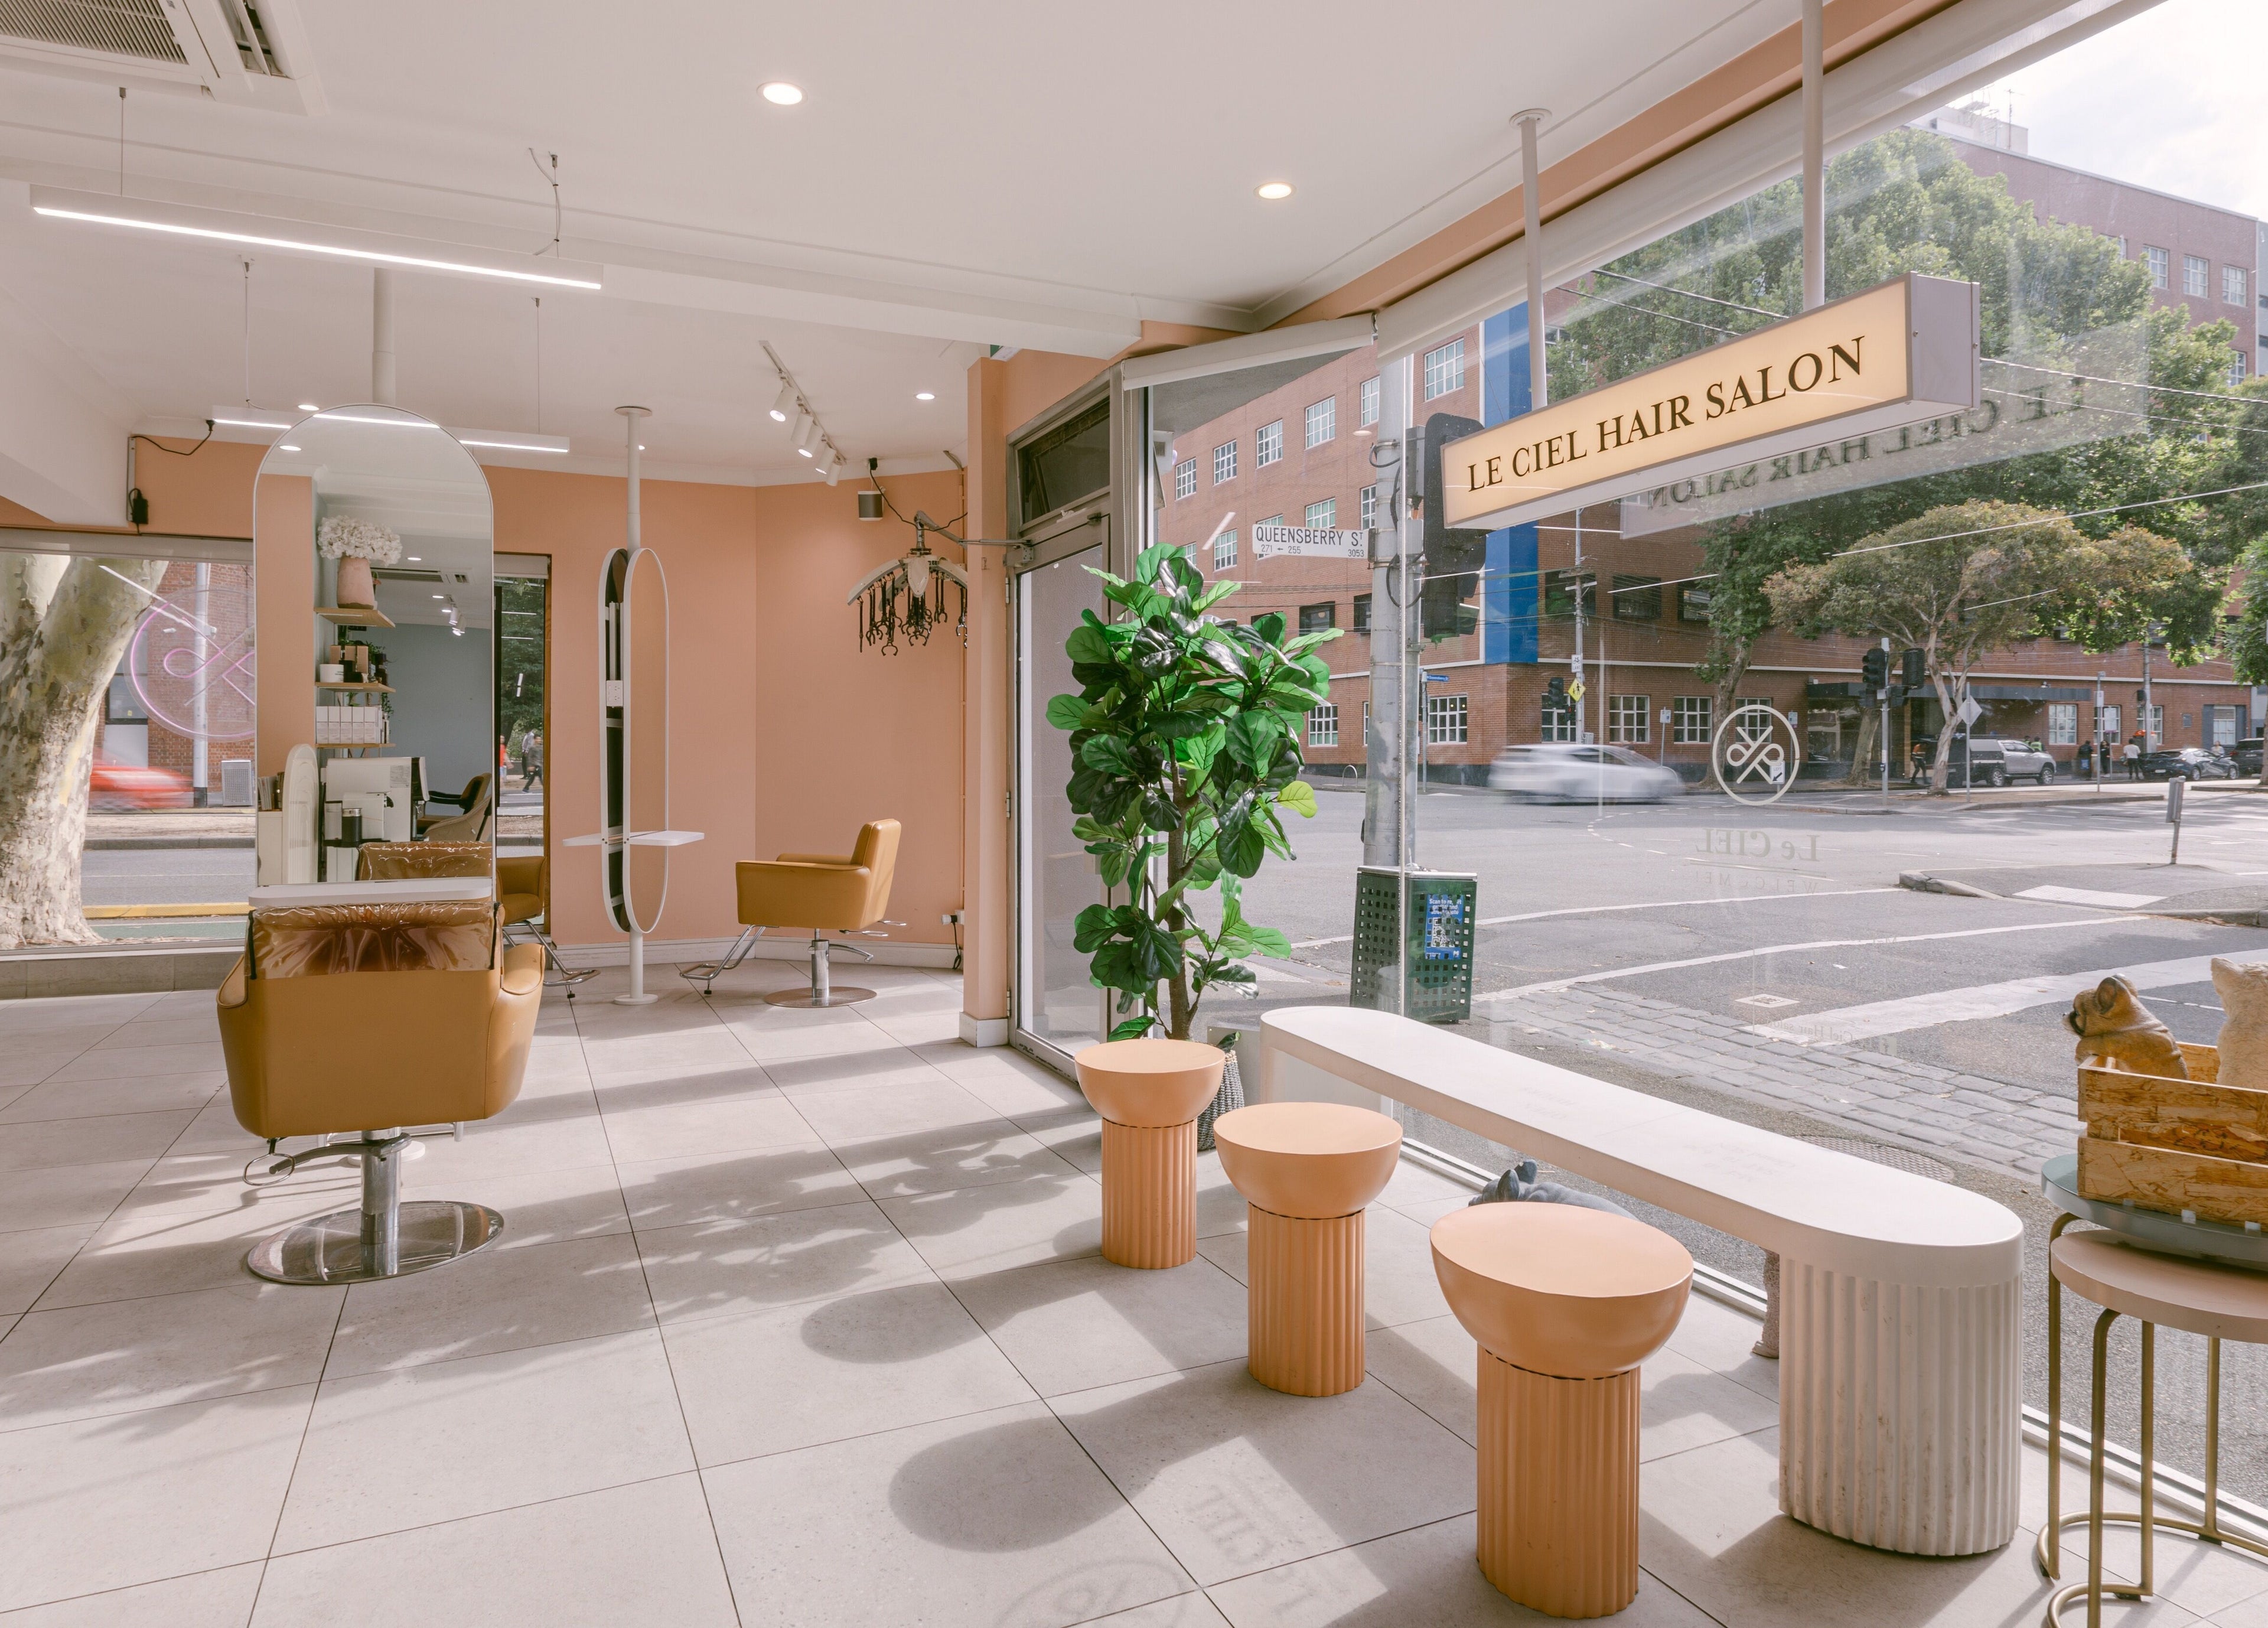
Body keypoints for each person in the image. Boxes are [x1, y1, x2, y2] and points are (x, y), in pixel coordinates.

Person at [523, 729, 543, 793]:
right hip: (535, 765)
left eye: (540, 739)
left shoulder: (541, 748)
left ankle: (525, 789)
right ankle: (547, 789)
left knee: (532, 778)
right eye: (538, 739)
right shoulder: (532, 748)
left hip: (539, 764)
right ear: (535, 740)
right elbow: (529, 757)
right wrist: (530, 766)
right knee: (541, 778)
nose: (539, 740)